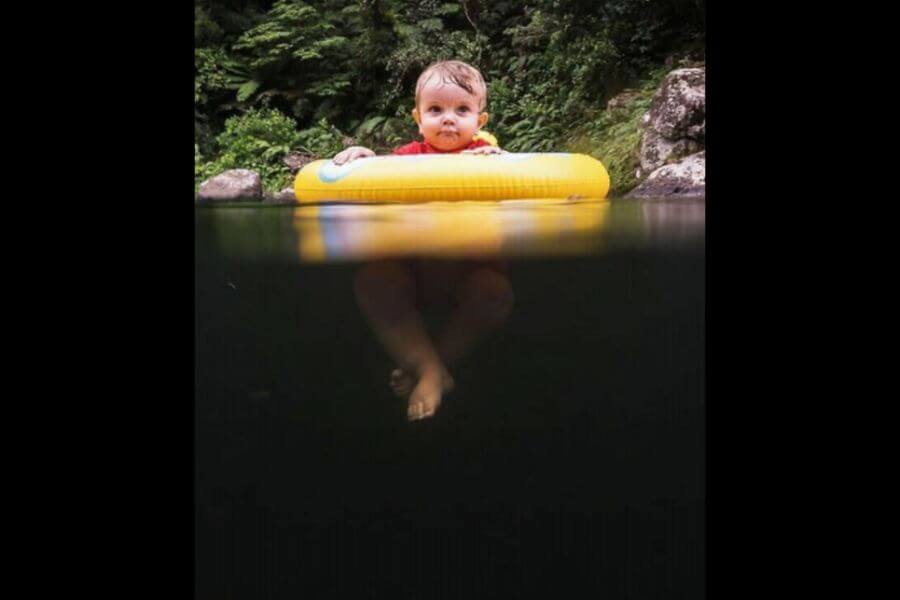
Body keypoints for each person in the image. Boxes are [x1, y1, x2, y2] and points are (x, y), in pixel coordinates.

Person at [334, 60, 514, 421]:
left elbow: (521, 178)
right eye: (435, 109)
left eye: (461, 110)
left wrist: (500, 161)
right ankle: (431, 369)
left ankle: (431, 367)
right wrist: (360, 158)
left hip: (469, 273)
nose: (448, 118)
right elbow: (376, 172)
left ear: (480, 121)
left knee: (495, 291)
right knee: (373, 280)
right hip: (412, 271)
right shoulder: (407, 159)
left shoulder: (487, 156)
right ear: (418, 119)